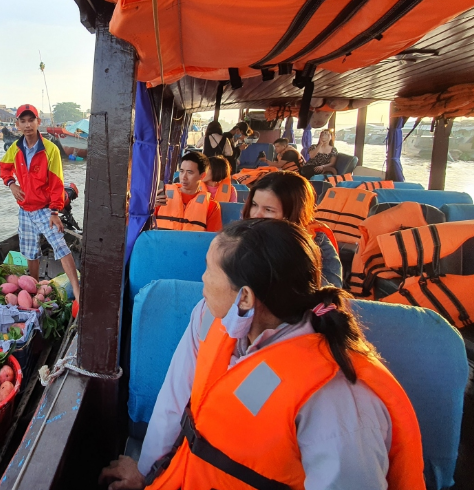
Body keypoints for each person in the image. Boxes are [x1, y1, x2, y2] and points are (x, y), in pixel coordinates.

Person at [100, 219, 425, 490]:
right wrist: (146, 474)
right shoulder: (235, 335)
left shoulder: (336, 402)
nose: (202, 279)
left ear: (244, 299)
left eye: (209, 270)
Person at [0, 104, 80, 303]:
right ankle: (34, 288)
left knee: (61, 247)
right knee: (29, 251)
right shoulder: (15, 148)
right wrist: (11, 184)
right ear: (17, 124)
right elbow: (4, 167)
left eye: (31, 120)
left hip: (45, 209)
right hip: (25, 209)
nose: (27, 125)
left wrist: (54, 212)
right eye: (23, 121)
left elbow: (56, 183)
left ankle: (79, 294)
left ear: (38, 122)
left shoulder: (50, 150)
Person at [242, 171, 342, 287]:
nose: (256, 215)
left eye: (268, 210)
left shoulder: (319, 244)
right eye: (254, 205)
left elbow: (331, 296)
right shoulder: (239, 238)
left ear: (291, 214)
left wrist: (297, 256)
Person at [154, 152, 223, 232]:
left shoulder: (212, 206)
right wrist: (149, 208)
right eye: (182, 171)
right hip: (160, 243)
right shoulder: (160, 196)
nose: (184, 177)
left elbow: (213, 239)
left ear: (202, 176)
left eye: (190, 172)